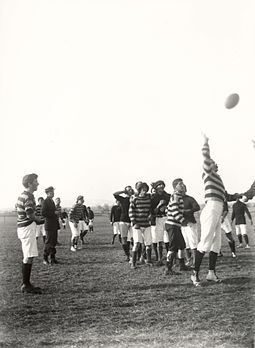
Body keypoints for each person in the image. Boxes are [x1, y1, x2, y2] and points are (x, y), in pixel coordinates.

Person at [191, 134, 241, 287]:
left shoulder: (218, 179)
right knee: (205, 241)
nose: (216, 164)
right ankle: (194, 273)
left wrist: (241, 195)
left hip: (218, 208)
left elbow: (227, 196)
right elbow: (206, 157)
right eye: (213, 163)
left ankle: (211, 273)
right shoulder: (208, 173)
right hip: (211, 207)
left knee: (216, 244)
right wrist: (206, 143)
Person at [16, 173, 42, 294]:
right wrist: (41, 220)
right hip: (27, 228)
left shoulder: (23, 195)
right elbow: (30, 215)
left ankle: (26, 283)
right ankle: (25, 285)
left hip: (23, 228)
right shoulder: (28, 196)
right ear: (30, 183)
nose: (38, 183)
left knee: (28, 255)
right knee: (28, 256)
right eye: (36, 181)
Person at [164, 178, 188, 275]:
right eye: (180, 184)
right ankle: (168, 268)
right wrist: (183, 221)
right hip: (173, 225)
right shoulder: (175, 196)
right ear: (175, 187)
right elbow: (174, 211)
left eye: (182, 184)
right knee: (173, 247)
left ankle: (182, 265)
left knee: (182, 245)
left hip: (175, 225)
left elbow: (169, 210)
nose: (182, 185)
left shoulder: (177, 196)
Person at [129, 182, 152, 269]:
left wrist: (150, 215)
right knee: (137, 243)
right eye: (143, 190)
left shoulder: (148, 199)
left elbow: (150, 210)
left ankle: (148, 261)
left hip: (146, 224)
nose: (144, 191)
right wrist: (134, 222)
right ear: (139, 190)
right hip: (137, 225)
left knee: (148, 243)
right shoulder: (134, 199)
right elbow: (131, 212)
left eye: (146, 190)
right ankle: (133, 263)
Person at [151, 180, 171, 266]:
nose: (161, 187)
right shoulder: (153, 198)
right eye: (159, 185)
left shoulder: (167, 196)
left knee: (168, 239)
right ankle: (159, 258)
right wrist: (159, 205)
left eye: (162, 185)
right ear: (156, 187)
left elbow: (171, 206)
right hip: (158, 219)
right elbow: (152, 212)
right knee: (159, 239)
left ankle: (169, 257)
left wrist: (166, 207)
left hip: (166, 217)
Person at [113, 186, 134, 261]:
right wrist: (123, 191)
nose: (129, 190)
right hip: (123, 220)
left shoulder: (135, 198)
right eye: (128, 190)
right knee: (124, 238)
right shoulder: (123, 199)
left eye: (130, 189)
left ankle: (135, 255)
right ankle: (128, 255)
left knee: (133, 239)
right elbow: (115, 194)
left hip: (133, 220)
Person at [181, 185, 200, 267]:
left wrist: (188, 211)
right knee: (186, 243)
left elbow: (197, 207)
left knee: (193, 243)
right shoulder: (176, 200)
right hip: (182, 224)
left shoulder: (189, 198)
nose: (182, 191)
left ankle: (196, 262)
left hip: (190, 223)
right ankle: (189, 260)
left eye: (184, 189)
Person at [42, 186, 60, 265]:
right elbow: (44, 213)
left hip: (54, 224)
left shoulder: (51, 201)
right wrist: (54, 213)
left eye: (53, 192)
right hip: (49, 225)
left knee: (53, 242)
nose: (53, 193)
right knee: (49, 242)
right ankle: (45, 258)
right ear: (48, 193)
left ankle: (53, 258)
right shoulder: (45, 201)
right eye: (52, 192)